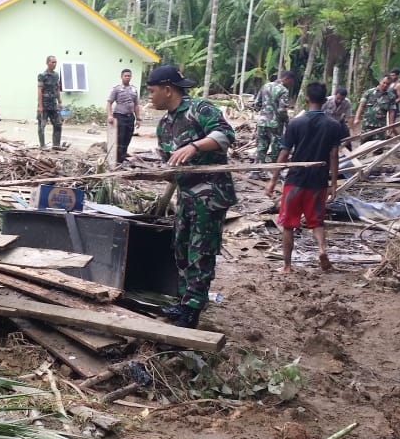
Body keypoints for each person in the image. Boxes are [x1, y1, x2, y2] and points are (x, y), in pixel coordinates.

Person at [149, 65, 237, 329]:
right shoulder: (164, 124)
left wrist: (194, 146)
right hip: (186, 197)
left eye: (152, 91)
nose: (150, 97)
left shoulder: (200, 109)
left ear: (168, 90)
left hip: (210, 196)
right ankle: (185, 301)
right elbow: (172, 166)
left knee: (202, 252)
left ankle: (193, 310)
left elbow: (225, 135)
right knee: (182, 250)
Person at [265, 82, 345, 274]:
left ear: (307, 99)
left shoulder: (295, 123)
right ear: (326, 100)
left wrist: (273, 180)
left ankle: (287, 266)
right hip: (318, 182)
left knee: (288, 224)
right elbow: (334, 156)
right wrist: (333, 184)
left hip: (295, 181)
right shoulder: (334, 125)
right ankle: (321, 249)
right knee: (317, 221)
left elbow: (284, 153)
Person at [254, 71, 295, 166]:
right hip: (275, 124)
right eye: (291, 82)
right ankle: (274, 170)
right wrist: (287, 121)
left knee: (261, 146)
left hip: (262, 122)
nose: (291, 84)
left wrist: (264, 112)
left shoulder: (265, 86)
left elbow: (256, 104)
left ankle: (256, 171)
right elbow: (282, 110)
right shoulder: (283, 90)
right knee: (276, 148)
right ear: (287, 79)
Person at [106, 68, 140, 164]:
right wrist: (109, 115)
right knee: (119, 139)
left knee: (127, 138)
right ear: (121, 77)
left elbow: (136, 105)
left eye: (129, 76)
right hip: (120, 116)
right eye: (125, 76)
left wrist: (138, 118)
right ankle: (116, 160)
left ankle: (122, 157)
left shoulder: (134, 89)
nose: (127, 77)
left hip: (130, 117)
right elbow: (109, 102)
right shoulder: (117, 89)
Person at [354, 76, 397, 141]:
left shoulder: (391, 97)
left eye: (387, 84)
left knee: (378, 148)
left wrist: (391, 126)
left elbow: (391, 112)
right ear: (380, 81)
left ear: (390, 85)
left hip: (380, 126)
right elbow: (361, 106)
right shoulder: (369, 92)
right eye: (384, 83)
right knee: (364, 147)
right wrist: (357, 118)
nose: (385, 85)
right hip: (367, 124)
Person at [37, 55, 63, 150]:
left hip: (53, 104)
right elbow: (39, 90)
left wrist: (60, 102)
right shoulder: (42, 75)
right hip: (44, 104)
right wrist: (40, 106)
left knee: (58, 124)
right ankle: (42, 145)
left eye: (55, 62)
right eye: (52, 62)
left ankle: (56, 145)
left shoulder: (56, 75)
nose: (54, 64)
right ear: (47, 63)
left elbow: (57, 89)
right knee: (42, 125)